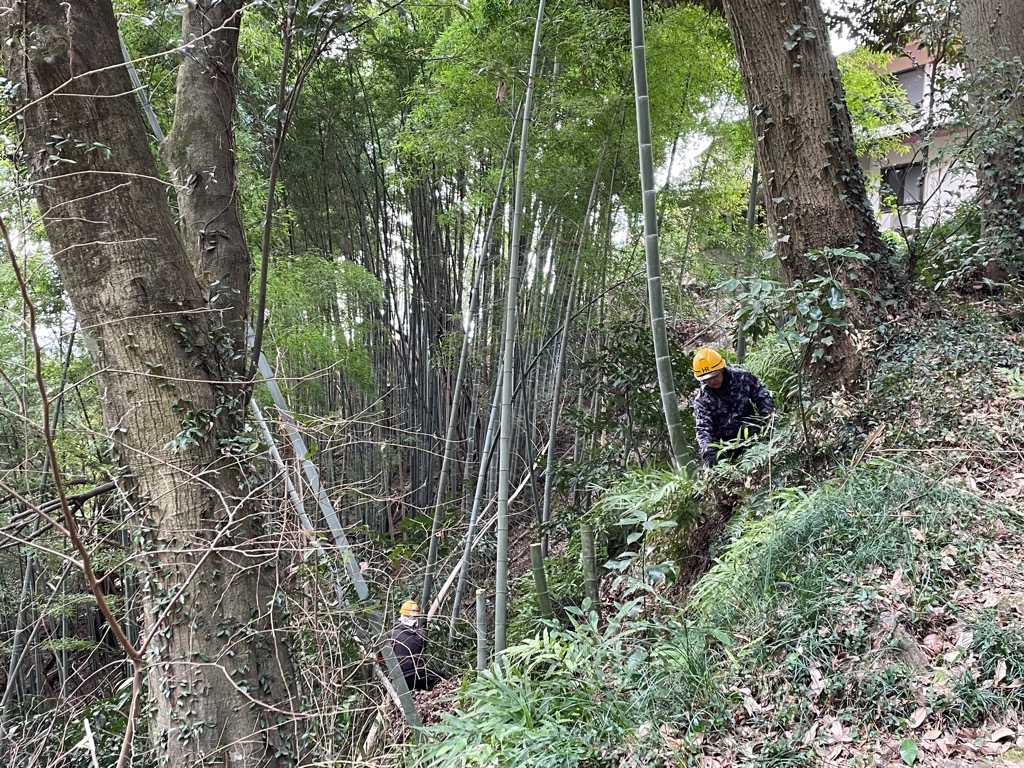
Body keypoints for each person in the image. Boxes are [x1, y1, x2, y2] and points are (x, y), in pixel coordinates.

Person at [692, 347, 774, 468]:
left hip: (750, 432)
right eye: (706, 379)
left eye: (714, 375)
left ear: (721, 369)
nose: (711, 381)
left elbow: (763, 397)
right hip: (724, 444)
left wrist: (766, 418)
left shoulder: (742, 378)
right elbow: (703, 429)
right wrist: (708, 453)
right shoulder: (702, 400)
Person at [385, 600, 445, 691]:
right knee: (443, 676)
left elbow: (381, 657)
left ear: (402, 616)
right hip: (420, 674)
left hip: (401, 678)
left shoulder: (392, 635)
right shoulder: (422, 634)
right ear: (416, 618)